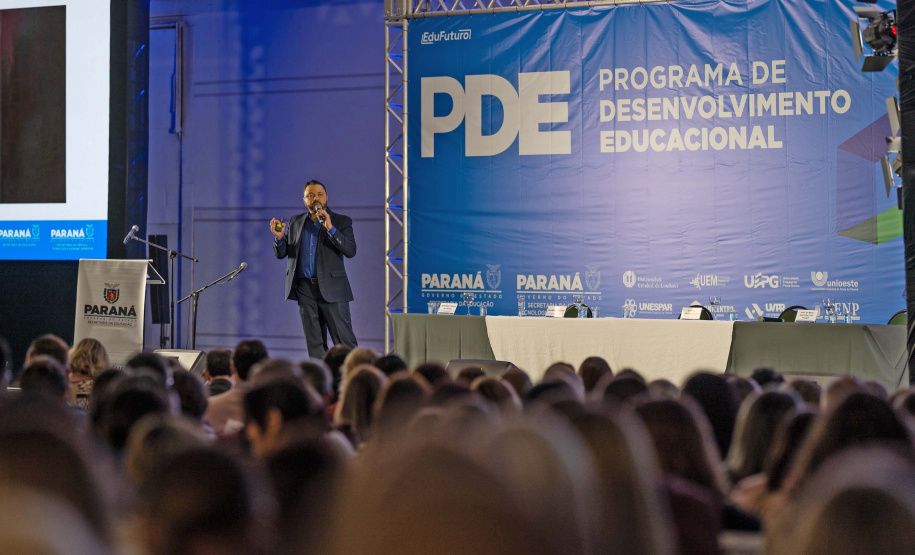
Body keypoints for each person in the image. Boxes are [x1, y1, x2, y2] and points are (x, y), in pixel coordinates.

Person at [271, 180, 357, 358]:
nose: (315, 198)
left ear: (326, 197)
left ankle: (356, 382)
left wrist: (330, 228)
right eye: (310, 195)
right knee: (315, 346)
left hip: (332, 290)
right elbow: (283, 253)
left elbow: (350, 250)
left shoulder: (341, 221)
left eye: (319, 194)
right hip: (305, 290)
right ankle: (322, 383)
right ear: (304, 200)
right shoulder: (296, 221)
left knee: (345, 343)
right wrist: (279, 239)